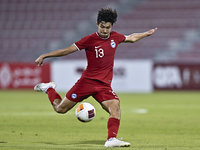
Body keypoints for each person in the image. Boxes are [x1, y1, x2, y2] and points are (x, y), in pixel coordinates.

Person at [34, 7, 157, 147]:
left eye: (108, 27)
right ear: (97, 24)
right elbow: (67, 50)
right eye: (102, 27)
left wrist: (146, 34)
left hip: (104, 86)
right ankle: (49, 88)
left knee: (115, 108)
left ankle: (111, 139)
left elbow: (131, 38)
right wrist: (45, 55)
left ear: (111, 26)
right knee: (60, 109)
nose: (105, 30)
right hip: (86, 82)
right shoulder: (89, 39)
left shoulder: (115, 37)